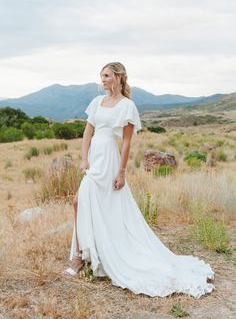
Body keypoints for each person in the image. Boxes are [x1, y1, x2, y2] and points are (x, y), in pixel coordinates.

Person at [63, 62, 215, 298]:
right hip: (94, 160)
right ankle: (79, 255)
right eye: (101, 76)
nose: (102, 80)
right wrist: (83, 159)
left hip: (111, 160)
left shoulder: (128, 106)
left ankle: (92, 253)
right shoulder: (96, 102)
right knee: (78, 201)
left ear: (119, 77)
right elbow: (87, 133)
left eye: (106, 76)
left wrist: (121, 171)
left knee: (106, 207)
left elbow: (126, 142)